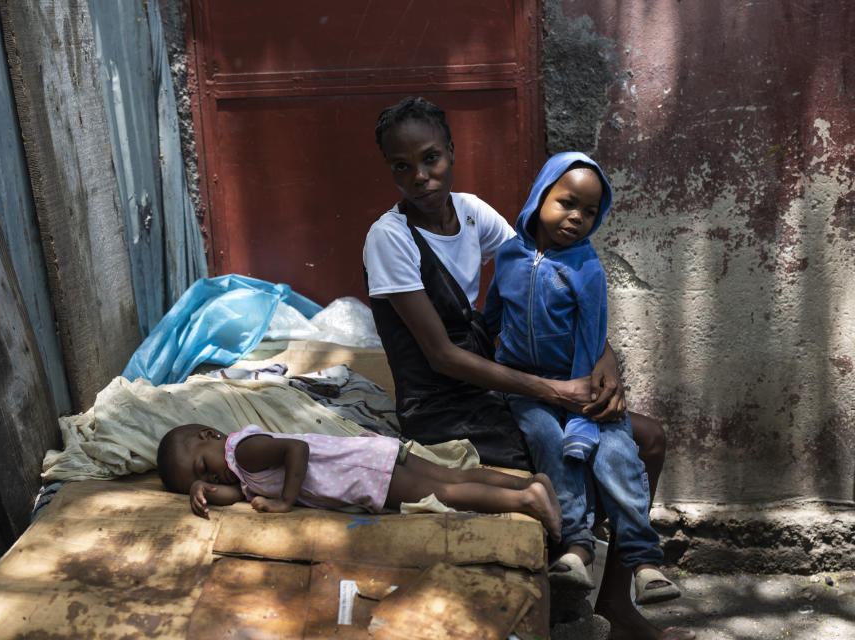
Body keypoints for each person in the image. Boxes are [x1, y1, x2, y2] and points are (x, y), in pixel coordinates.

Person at [362, 96, 693, 640]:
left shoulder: (469, 212)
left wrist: (601, 357)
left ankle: (617, 602)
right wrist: (558, 392)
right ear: (391, 170)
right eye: (403, 166)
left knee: (648, 438)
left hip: (495, 385)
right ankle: (575, 570)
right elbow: (442, 356)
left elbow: (545, 273)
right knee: (568, 444)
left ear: (451, 152)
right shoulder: (390, 239)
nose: (420, 177)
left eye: (431, 158)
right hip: (444, 403)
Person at [485, 152, 680, 604]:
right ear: (540, 198)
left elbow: (593, 343)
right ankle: (576, 548)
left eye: (589, 212)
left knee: (615, 453)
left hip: (579, 385)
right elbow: (491, 317)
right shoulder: (510, 255)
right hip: (525, 387)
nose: (576, 218)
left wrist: (582, 419)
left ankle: (645, 562)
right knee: (548, 445)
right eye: (567, 203)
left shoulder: (587, 269)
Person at [155, 423, 563, 537]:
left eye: (200, 467)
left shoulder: (242, 451)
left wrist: (285, 503)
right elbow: (238, 492)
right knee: (452, 475)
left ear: (209, 436)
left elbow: (295, 449)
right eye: (204, 478)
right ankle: (531, 483)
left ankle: (525, 500)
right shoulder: (239, 470)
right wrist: (204, 491)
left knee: (448, 493)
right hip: (369, 456)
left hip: (362, 474)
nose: (211, 475)